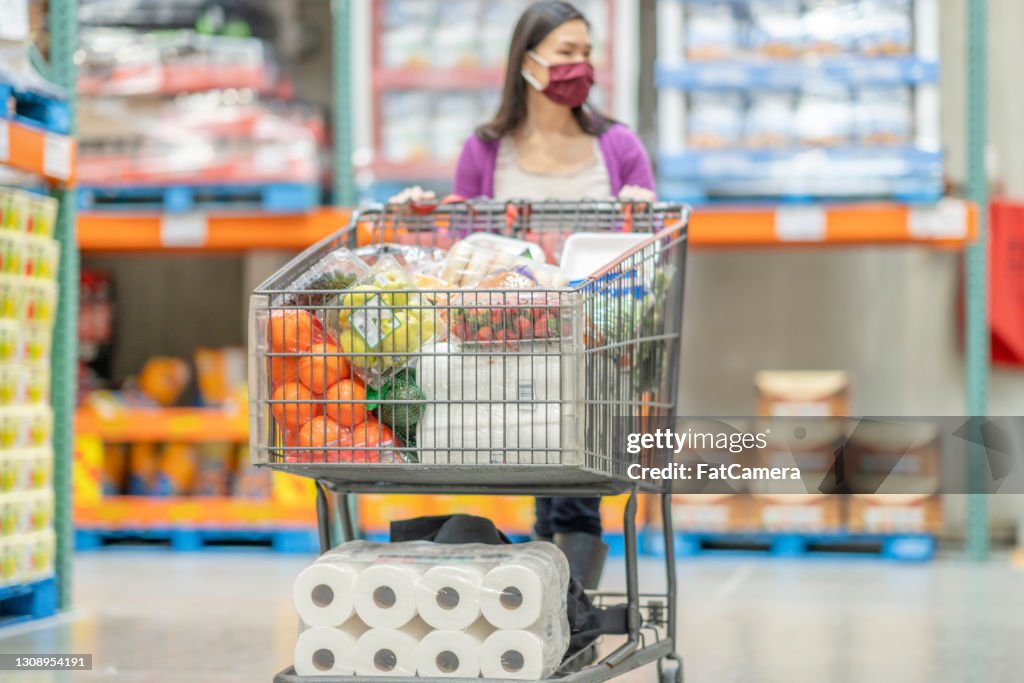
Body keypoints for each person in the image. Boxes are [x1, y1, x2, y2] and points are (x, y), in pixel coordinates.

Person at [394, 0, 656, 589]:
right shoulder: (485, 150)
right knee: (542, 459)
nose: (579, 66)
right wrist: (422, 215)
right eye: (566, 53)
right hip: (508, 336)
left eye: (586, 53)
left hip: (591, 336)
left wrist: (638, 217)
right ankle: (555, 602)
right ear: (528, 62)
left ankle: (559, 600)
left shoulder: (618, 148)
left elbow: (642, 256)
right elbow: (463, 254)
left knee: (572, 479)